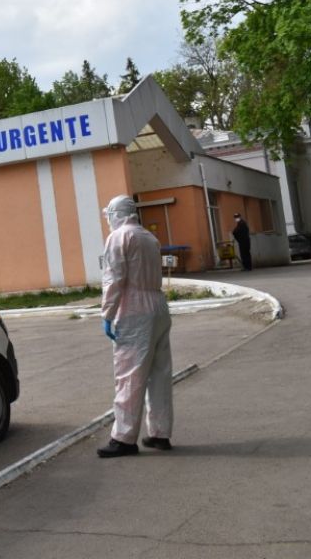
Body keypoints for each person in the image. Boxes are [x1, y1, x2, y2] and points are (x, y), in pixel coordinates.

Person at [97, 194, 174, 458]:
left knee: (129, 375)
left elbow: (114, 279)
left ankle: (124, 438)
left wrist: (107, 313)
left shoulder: (119, 237)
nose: (108, 220)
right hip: (158, 306)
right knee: (159, 373)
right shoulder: (149, 237)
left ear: (116, 214)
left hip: (134, 310)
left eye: (109, 215)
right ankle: (160, 433)